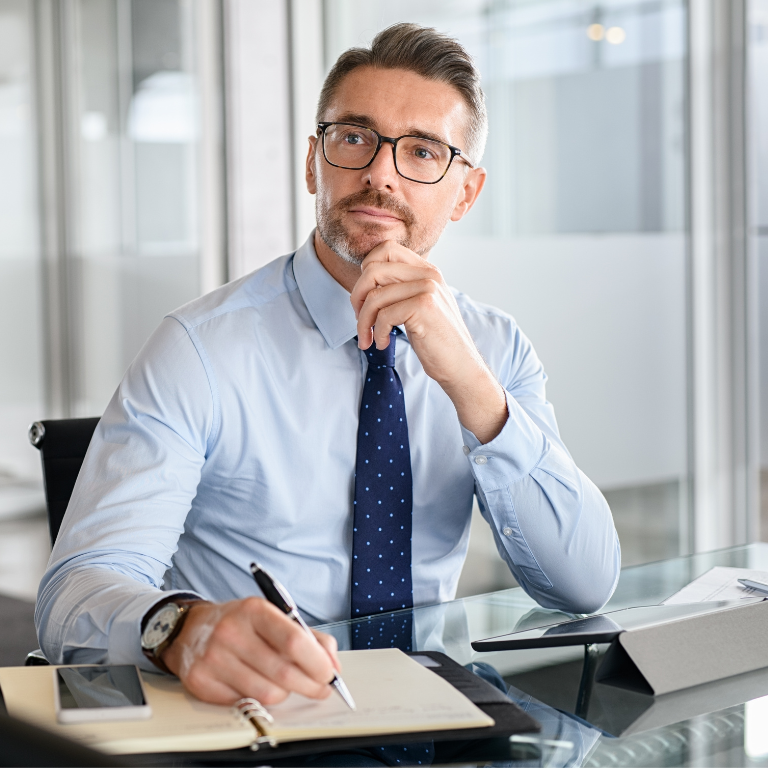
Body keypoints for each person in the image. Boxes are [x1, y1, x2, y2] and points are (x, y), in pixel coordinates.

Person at [36, 23, 620, 707]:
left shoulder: (494, 347)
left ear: (465, 192)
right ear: (314, 162)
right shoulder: (199, 349)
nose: (379, 173)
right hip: (262, 725)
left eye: (424, 151)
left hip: (435, 714)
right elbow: (77, 589)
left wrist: (470, 384)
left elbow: (583, 584)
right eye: (355, 138)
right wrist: (182, 628)